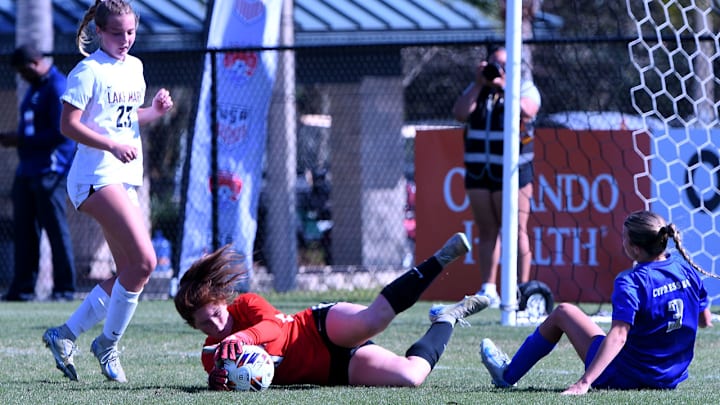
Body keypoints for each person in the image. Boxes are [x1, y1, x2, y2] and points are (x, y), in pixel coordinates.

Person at [41, 0, 173, 383]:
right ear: (99, 31)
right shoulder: (88, 70)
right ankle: (107, 344)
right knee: (146, 261)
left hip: (125, 176)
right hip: (95, 176)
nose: (125, 39)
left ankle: (64, 335)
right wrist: (111, 145)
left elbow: (129, 119)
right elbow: (69, 125)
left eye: (131, 32)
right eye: (117, 33)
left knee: (132, 272)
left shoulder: (135, 68)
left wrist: (156, 111)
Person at [174, 233, 489, 389]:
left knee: (374, 319)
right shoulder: (211, 353)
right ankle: (447, 317)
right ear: (195, 327)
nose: (215, 324)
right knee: (411, 377)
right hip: (333, 371)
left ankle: (439, 260)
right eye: (205, 323)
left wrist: (241, 339)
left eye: (217, 313)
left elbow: (273, 328)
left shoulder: (246, 304)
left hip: (318, 327)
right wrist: (220, 384)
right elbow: (237, 381)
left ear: (223, 300)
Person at [480, 210, 714, 395]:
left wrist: (585, 382)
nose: (621, 242)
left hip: (627, 376)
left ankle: (507, 375)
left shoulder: (631, 281)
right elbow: (704, 321)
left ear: (635, 248)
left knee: (563, 312)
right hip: (670, 378)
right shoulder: (686, 269)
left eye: (624, 238)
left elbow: (619, 336)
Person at [452, 45, 541, 307]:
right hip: (480, 170)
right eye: (493, 63)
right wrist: (480, 84)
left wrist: (504, 85)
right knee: (487, 229)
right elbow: (460, 113)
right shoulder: (479, 90)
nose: (497, 69)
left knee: (516, 230)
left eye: (503, 65)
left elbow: (528, 110)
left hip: (514, 173)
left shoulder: (524, 88)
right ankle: (488, 289)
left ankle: (521, 289)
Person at [1, 45, 77, 302]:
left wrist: (21, 139)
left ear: (34, 63)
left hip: (50, 170)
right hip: (28, 170)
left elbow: (62, 131)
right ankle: (22, 289)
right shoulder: (35, 88)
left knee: (56, 230)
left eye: (23, 71)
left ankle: (64, 289)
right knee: (24, 231)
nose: (21, 76)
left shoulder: (57, 86)